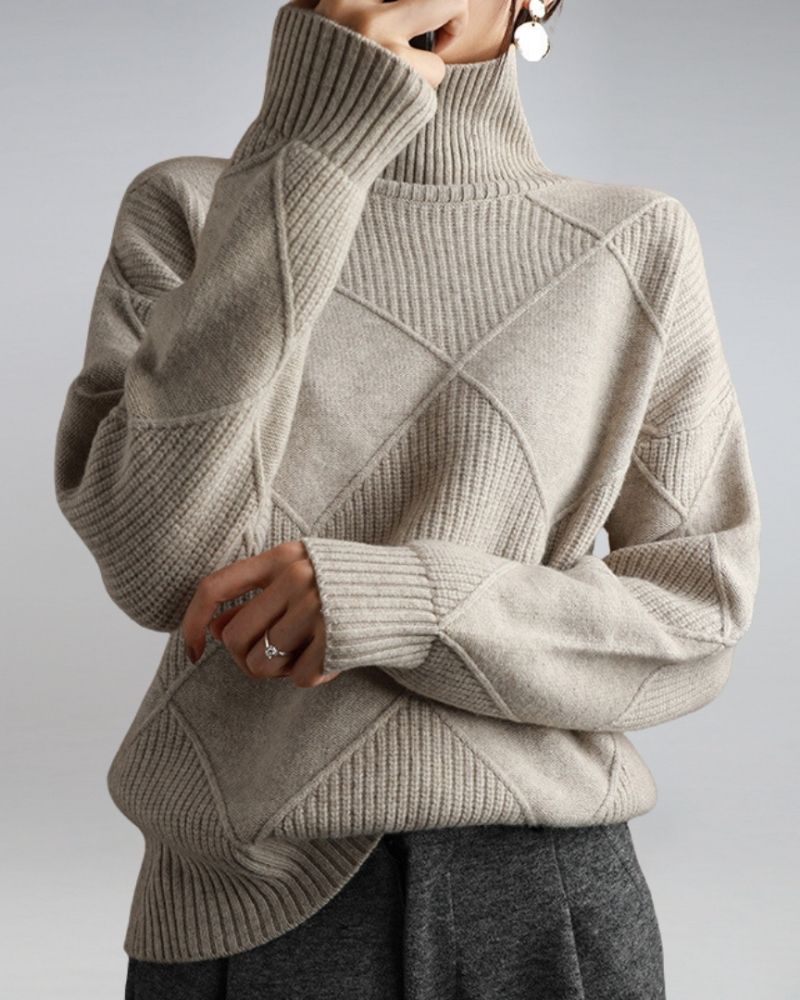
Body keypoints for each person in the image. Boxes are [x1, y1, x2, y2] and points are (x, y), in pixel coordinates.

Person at [53, 0, 761, 996]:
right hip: (244, 906)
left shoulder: (633, 243)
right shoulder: (192, 210)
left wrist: (407, 602)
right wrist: (313, 144)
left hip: (540, 894)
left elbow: (696, 615)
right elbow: (156, 563)